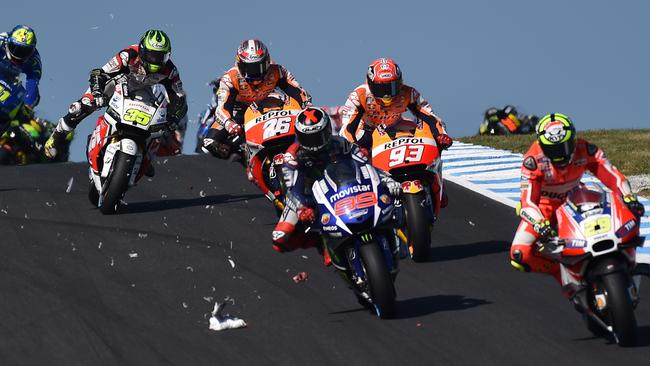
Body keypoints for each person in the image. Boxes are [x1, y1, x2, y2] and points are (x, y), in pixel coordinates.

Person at [510, 113, 645, 281]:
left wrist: (628, 197)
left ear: (573, 139)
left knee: (631, 211)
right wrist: (539, 223)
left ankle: (628, 261)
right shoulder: (532, 161)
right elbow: (527, 202)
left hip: (576, 199)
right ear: (540, 144)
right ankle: (566, 274)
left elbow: (612, 175)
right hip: (545, 209)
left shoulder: (586, 149)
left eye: (564, 147)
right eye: (553, 149)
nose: (559, 155)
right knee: (519, 254)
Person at [272, 107, 403, 264]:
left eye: (318, 136)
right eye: (309, 139)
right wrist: (302, 208)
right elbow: (291, 190)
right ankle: (319, 241)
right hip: (307, 197)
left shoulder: (341, 144)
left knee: (392, 195)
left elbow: (367, 166)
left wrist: (387, 180)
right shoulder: (292, 157)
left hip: (344, 189)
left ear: (327, 131)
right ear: (299, 137)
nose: (314, 143)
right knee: (280, 238)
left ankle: (393, 234)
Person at [44, 29, 187, 161]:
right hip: (118, 83)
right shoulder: (128, 54)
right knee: (83, 105)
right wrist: (97, 92)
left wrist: (173, 118)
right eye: (151, 55)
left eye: (160, 57)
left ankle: (145, 157)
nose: (155, 61)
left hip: (144, 91)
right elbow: (99, 73)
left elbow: (179, 97)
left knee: (158, 123)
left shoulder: (170, 70)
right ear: (142, 51)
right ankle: (58, 134)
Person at [201, 39, 311, 158]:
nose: (256, 73)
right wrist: (229, 123)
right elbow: (221, 109)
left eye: (261, 66)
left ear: (267, 61)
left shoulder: (278, 71)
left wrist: (307, 107)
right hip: (240, 111)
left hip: (267, 106)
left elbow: (300, 93)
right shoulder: (230, 78)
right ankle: (238, 154)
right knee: (209, 143)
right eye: (250, 68)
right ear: (240, 64)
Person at [339, 58, 452, 151]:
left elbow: (431, 117)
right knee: (356, 142)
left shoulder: (409, 93)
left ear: (400, 83)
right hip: (367, 131)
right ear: (370, 84)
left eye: (391, 87)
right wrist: (356, 150)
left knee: (428, 134)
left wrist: (441, 135)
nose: (387, 95)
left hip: (395, 127)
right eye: (381, 88)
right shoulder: (358, 96)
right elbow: (346, 129)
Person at [0, 25, 41, 110]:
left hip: (11, 80)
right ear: (8, 42)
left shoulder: (35, 62)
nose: (17, 55)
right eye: (14, 47)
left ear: (32, 50)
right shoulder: (1, 40)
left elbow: (32, 84)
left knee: (34, 99)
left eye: (24, 51)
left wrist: (27, 106)